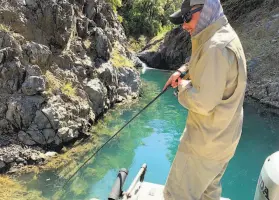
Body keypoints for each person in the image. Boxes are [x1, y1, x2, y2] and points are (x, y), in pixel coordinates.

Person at [163, 0, 247, 199]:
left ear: (205, 10)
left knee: (175, 195)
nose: (184, 25)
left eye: (186, 17)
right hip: (223, 141)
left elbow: (202, 102)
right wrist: (182, 71)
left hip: (203, 146)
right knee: (208, 194)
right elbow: (202, 62)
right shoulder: (221, 36)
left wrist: (182, 87)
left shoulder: (215, 47)